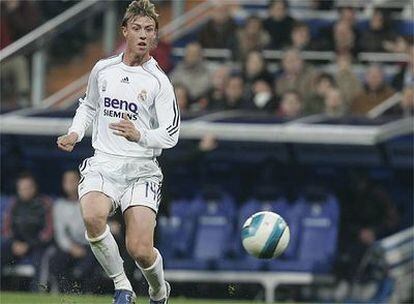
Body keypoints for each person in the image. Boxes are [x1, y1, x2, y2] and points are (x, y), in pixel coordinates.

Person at [56, 1, 179, 303]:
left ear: (155, 37)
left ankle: (159, 290)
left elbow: (172, 134)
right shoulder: (103, 69)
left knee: (139, 249)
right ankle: (122, 286)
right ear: (124, 30)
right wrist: (75, 132)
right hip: (104, 163)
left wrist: (141, 135)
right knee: (93, 216)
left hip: (141, 170)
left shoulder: (158, 82)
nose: (142, 35)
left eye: (149, 30)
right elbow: (88, 105)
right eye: (136, 28)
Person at [1, 173, 53, 290]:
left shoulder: (45, 203)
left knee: (40, 260)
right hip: (15, 244)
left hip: (37, 245)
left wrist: (29, 245)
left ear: (34, 187)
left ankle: (37, 292)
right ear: (18, 189)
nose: (25, 191)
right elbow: (6, 229)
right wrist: (14, 243)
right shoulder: (13, 203)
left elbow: (48, 231)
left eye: (28, 187)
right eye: (22, 188)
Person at [50, 170, 97, 293]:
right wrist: (71, 248)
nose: (69, 184)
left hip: (90, 245)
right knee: (56, 260)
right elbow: (60, 234)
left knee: (93, 260)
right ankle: (65, 294)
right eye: (66, 181)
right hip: (69, 246)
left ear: (80, 182)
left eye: (72, 181)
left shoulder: (90, 202)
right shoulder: (59, 205)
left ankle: (89, 294)